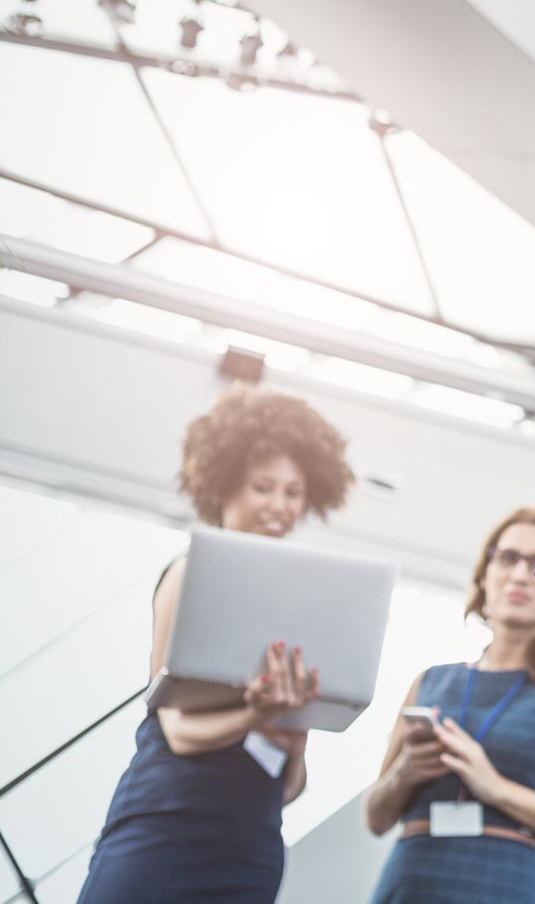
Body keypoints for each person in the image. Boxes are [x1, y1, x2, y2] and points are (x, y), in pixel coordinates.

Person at [78, 386, 354, 904]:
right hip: (164, 829)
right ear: (223, 485)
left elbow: (289, 787)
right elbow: (178, 733)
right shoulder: (188, 575)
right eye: (263, 487)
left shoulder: (298, 609)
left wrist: (294, 743)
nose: (280, 506)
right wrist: (254, 715)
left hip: (249, 845)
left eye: (294, 492)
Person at [363, 505, 535, 904]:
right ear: (484, 572)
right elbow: (375, 818)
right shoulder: (430, 680)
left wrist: (495, 788)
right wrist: (406, 772)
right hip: (409, 876)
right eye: (507, 558)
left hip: (499, 882)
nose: (520, 575)